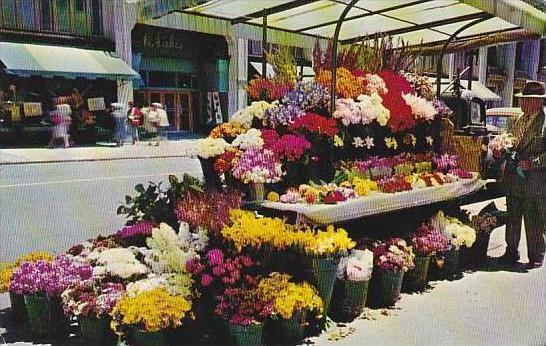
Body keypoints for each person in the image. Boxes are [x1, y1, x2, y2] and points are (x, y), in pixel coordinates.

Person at [499, 80, 546, 269]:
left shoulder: (544, 123)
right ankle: (511, 250)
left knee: (533, 217)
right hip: (514, 177)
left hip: (534, 180)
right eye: (522, 99)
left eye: (526, 100)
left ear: (538, 102)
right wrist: (501, 148)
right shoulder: (518, 119)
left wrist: (532, 163)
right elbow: (511, 141)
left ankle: (536, 254)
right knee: (513, 215)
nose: (522, 103)